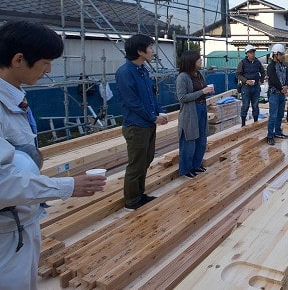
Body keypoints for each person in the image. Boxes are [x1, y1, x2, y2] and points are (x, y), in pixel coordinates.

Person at [0, 21, 106, 289]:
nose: (49, 70)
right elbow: (2, 183)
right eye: (46, 62)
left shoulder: (14, 97)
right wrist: (68, 186)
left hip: (22, 221)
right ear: (18, 59)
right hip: (6, 233)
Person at [115, 34, 168, 211]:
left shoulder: (143, 70)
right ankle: (131, 201)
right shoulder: (125, 72)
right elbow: (132, 102)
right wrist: (153, 117)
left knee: (146, 160)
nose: (152, 51)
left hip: (147, 124)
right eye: (150, 47)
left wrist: (160, 111)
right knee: (136, 164)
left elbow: (151, 96)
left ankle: (140, 194)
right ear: (140, 51)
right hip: (136, 125)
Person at [176, 51, 214, 178]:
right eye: (198, 59)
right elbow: (182, 97)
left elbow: (201, 91)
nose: (201, 60)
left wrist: (207, 91)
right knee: (189, 140)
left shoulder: (199, 74)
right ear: (191, 61)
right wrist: (202, 91)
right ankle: (186, 169)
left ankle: (196, 165)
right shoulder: (183, 77)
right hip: (190, 112)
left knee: (201, 139)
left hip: (202, 108)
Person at [266, 44, 288, 145]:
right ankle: (270, 136)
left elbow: (287, 77)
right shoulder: (271, 66)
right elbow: (274, 80)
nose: (282, 56)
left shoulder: (283, 65)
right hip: (274, 94)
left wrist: (286, 86)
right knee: (273, 115)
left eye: (282, 54)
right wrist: (282, 89)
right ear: (275, 54)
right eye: (280, 54)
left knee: (280, 115)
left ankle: (278, 132)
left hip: (281, 94)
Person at [236, 44, 265, 127]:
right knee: (245, 105)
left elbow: (263, 72)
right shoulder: (242, 63)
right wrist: (246, 81)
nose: (253, 54)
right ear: (247, 53)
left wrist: (261, 80)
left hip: (255, 87)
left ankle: (255, 122)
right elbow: (238, 74)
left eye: (253, 52)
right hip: (246, 87)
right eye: (251, 52)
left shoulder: (257, 62)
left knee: (255, 105)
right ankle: (243, 124)